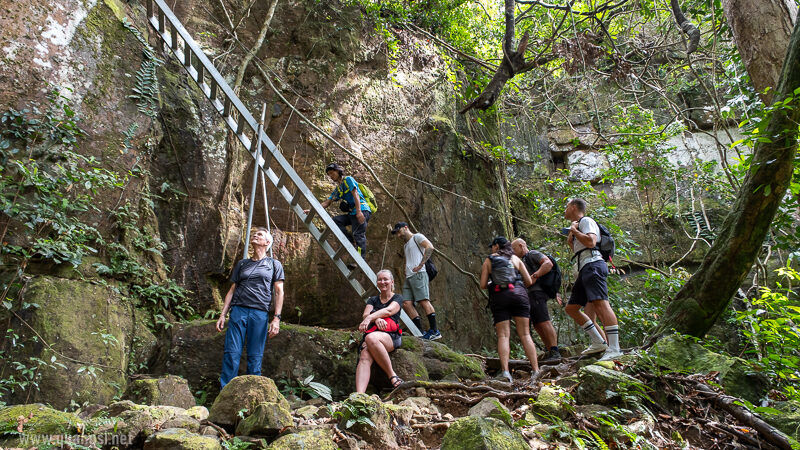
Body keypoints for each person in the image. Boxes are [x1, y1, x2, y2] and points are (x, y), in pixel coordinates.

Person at [216, 227, 285, 387]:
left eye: (259, 234)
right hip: (238, 311)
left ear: (268, 242)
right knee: (231, 353)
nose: (255, 235)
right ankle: (225, 395)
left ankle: (252, 395)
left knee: (255, 356)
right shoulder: (242, 264)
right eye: (254, 233)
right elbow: (232, 290)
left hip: (259, 314)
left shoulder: (274, 264)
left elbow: (279, 291)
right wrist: (223, 314)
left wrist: (276, 318)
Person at [563, 198, 622, 361]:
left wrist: (574, 231)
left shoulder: (586, 220)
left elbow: (590, 241)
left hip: (593, 265)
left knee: (601, 303)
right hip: (585, 268)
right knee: (571, 308)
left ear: (574, 207)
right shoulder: (578, 225)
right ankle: (598, 342)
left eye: (566, 207)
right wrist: (571, 239)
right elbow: (581, 248)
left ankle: (615, 348)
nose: (564, 210)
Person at [479, 236, 540, 383]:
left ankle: (506, 372)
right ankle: (536, 370)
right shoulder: (515, 259)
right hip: (519, 294)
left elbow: (482, 284)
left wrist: (494, 283)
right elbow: (529, 281)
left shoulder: (489, 260)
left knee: (503, 336)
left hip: (500, 297)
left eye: (492, 246)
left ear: (496, 246)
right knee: (525, 334)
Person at [511, 238, 562, 361]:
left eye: (514, 248)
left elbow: (548, 264)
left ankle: (555, 350)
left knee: (544, 321)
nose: (512, 251)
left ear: (521, 245)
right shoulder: (521, 261)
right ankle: (549, 350)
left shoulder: (532, 254)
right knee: (538, 323)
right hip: (530, 294)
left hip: (537, 292)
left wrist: (534, 276)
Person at [355, 269, 404, 392]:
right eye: (380, 279)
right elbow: (365, 315)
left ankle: (392, 375)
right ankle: (359, 395)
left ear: (392, 282)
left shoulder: (397, 298)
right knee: (365, 354)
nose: (383, 282)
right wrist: (376, 320)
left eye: (385, 279)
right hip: (372, 332)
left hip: (390, 336)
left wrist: (372, 317)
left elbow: (389, 311)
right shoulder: (373, 300)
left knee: (370, 338)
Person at [390, 222, 441, 340]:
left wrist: (421, 264)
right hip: (409, 277)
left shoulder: (417, 237)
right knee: (406, 304)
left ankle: (434, 331)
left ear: (405, 228)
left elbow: (430, 247)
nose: (398, 235)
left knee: (424, 301)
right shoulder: (406, 245)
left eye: (399, 231)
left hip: (419, 274)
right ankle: (419, 332)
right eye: (396, 233)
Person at [310, 163, 371, 256]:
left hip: (362, 210)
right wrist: (311, 211)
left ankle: (360, 259)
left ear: (338, 171)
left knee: (358, 234)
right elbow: (327, 202)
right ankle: (351, 242)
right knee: (335, 221)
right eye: (329, 174)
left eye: (332, 173)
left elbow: (356, 194)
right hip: (352, 213)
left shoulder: (348, 180)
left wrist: (359, 212)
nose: (330, 176)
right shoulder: (339, 189)